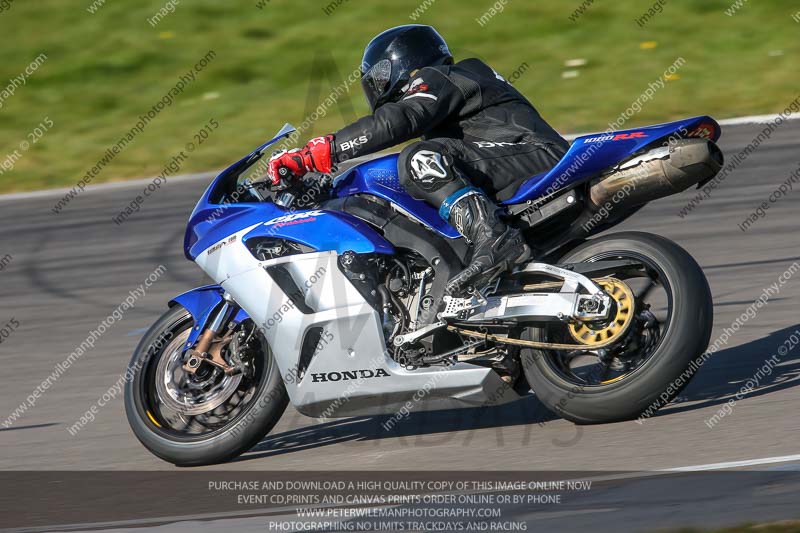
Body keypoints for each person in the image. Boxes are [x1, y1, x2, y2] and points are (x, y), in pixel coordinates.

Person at [268, 24, 569, 295]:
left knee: (420, 159)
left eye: (379, 76)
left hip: (535, 155)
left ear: (403, 62)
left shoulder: (442, 76)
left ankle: (495, 239)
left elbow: (401, 119)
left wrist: (320, 152)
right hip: (515, 159)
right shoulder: (457, 89)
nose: (377, 85)